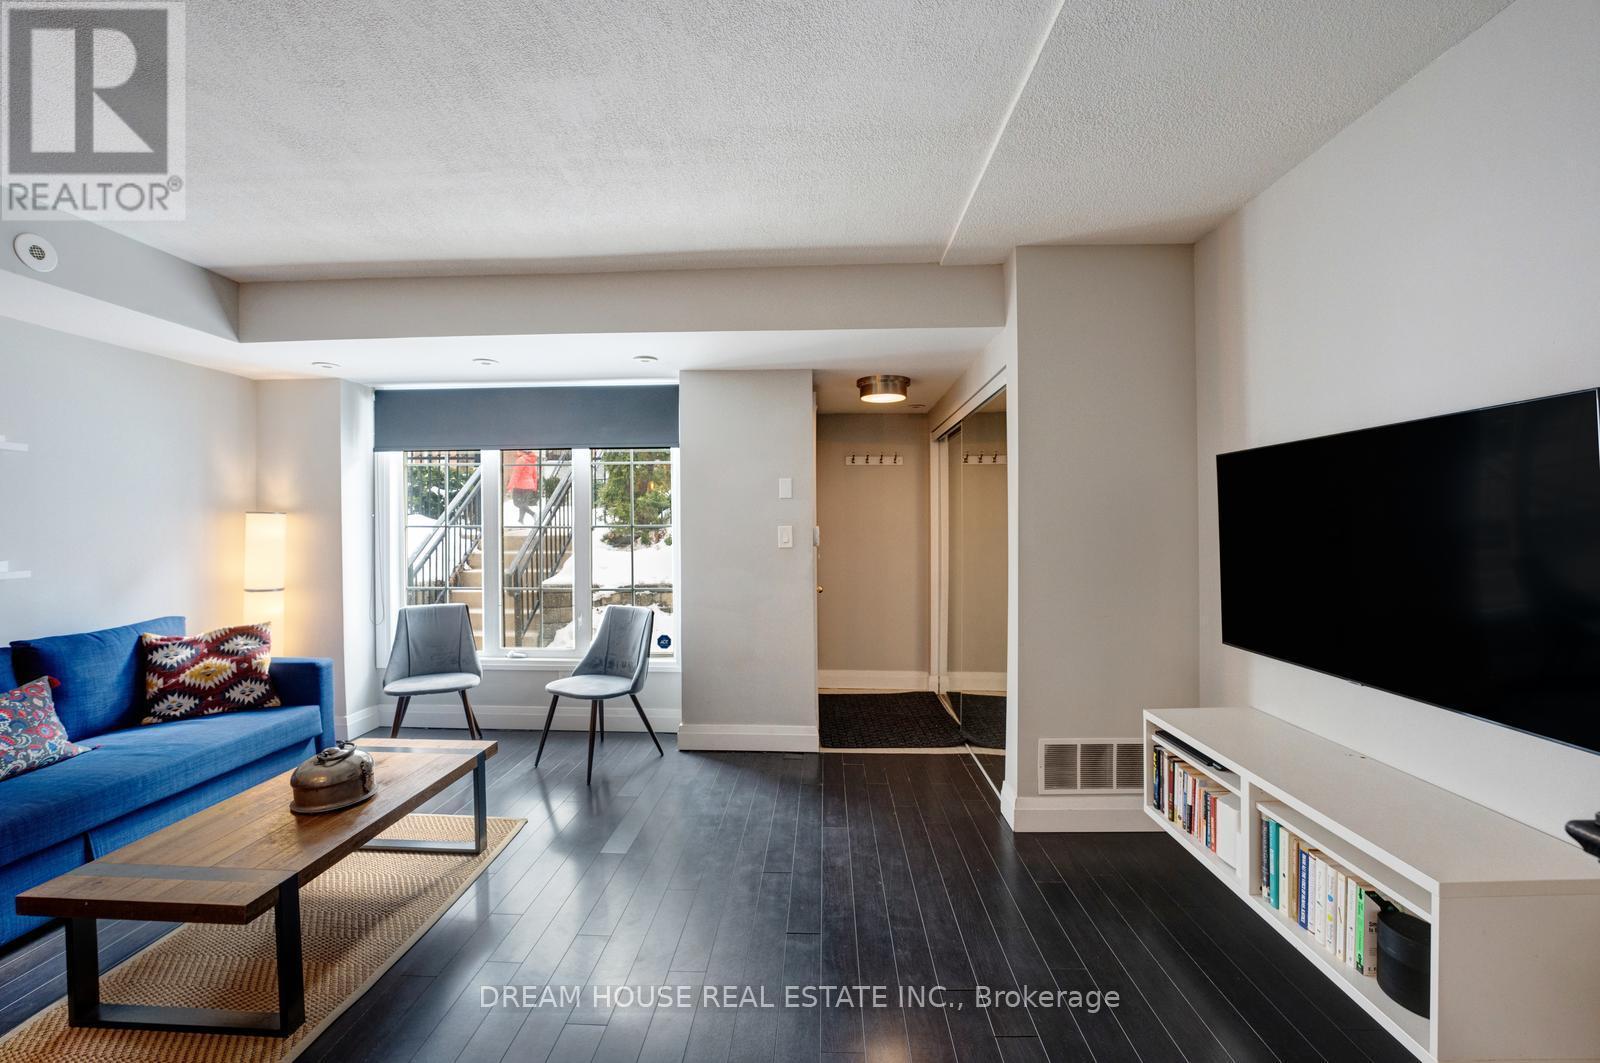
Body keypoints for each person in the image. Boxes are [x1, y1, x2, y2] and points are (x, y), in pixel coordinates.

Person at [507, 450, 541, 523]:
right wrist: (534, 487)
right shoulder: (533, 461)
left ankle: (533, 514)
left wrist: (510, 486)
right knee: (523, 503)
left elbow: (516, 474)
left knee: (517, 503)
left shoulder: (521, 460)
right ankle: (520, 520)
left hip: (520, 486)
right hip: (529, 486)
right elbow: (535, 476)